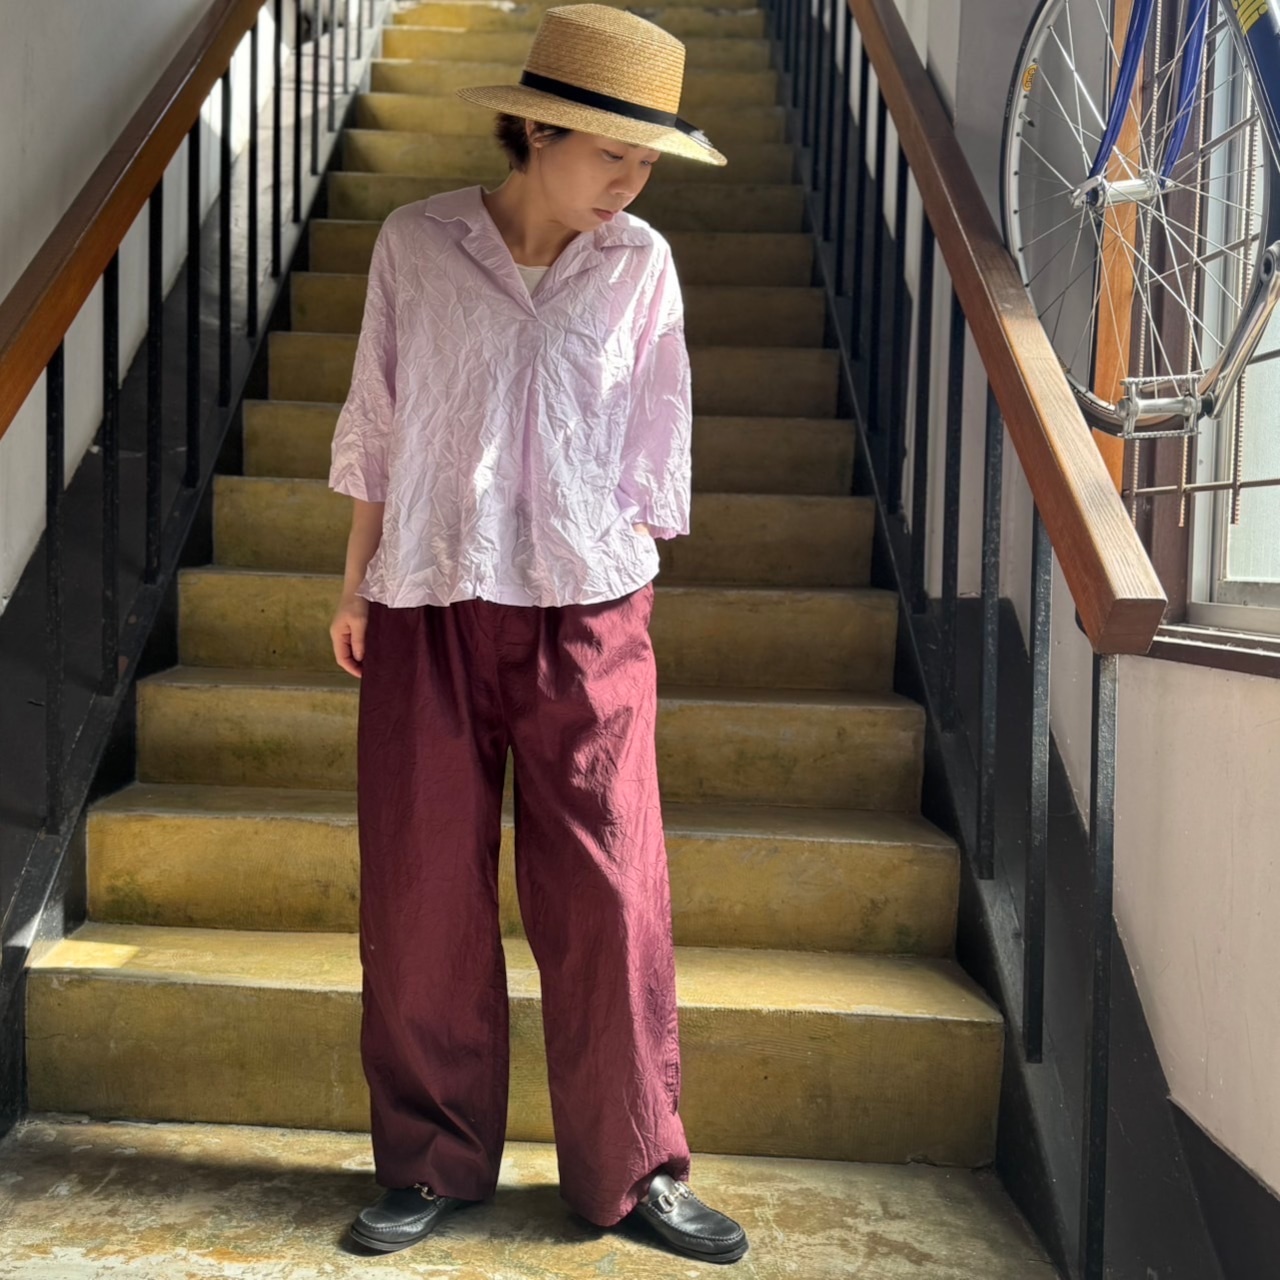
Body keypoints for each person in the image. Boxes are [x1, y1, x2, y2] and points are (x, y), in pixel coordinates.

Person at [326, 3, 748, 1266]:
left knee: (612, 893)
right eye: (611, 153)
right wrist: (353, 588)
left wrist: (609, 579)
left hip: (588, 608)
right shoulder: (415, 243)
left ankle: (633, 1168)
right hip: (428, 597)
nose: (630, 180)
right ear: (537, 130)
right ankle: (430, 1158)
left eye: (646, 160)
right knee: (420, 892)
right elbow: (377, 422)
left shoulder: (641, 265)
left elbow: (655, 441)